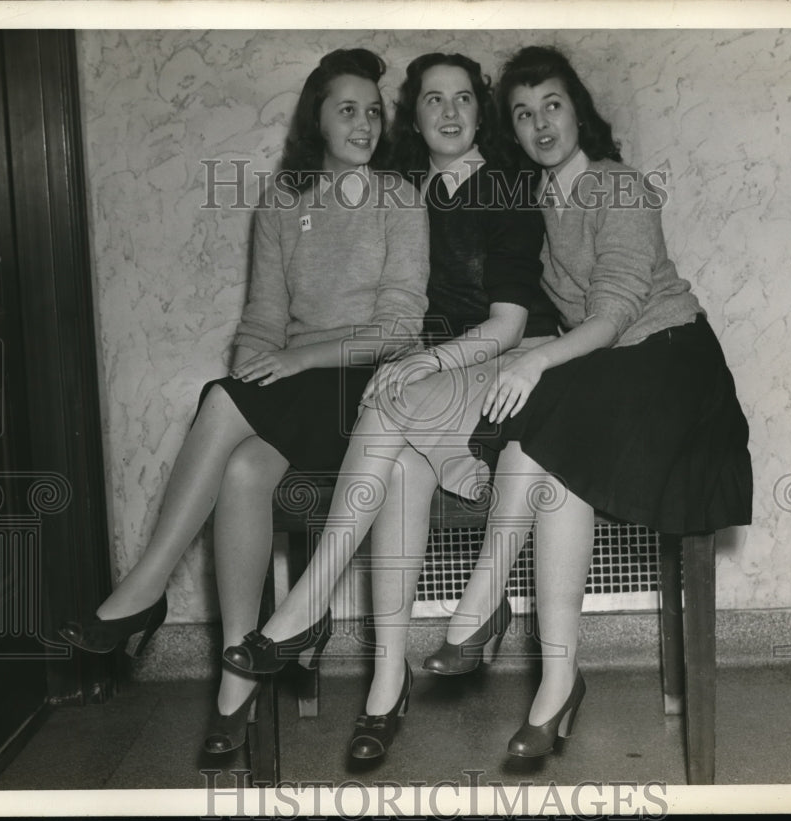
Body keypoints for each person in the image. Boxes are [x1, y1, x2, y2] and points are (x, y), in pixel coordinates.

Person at [56, 48, 429, 756]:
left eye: (373, 111)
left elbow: (399, 328)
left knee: (223, 401)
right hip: (300, 392)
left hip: (370, 388)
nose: (364, 123)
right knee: (239, 468)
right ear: (315, 117)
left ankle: (144, 588)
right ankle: (235, 682)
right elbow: (261, 322)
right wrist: (261, 370)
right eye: (347, 109)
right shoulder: (284, 203)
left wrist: (294, 360)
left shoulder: (399, 202)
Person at [221, 52, 558, 760]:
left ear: (480, 110)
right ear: (415, 114)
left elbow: (507, 324)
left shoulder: (508, 189)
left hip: (499, 368)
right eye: (432, 99)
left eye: (463, 98)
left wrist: (423, 360)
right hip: (421, 379)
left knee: (390, 404)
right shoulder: (403, 189)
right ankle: (385, 684)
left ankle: (307, 606)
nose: (449, 113)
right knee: (398, 467)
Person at [436, 45, 753, 758]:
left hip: (676, 366)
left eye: (552, 104)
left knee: (542, 403)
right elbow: (556, 325)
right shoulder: (543, 212)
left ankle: (482, 603)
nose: (541, 124)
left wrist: (540, 360)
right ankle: (556, 683)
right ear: (511, 132)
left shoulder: (617, 186)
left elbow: (610, 315)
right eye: (522, 114)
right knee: (553, 466)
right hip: (621, 379)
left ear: (578, 108)